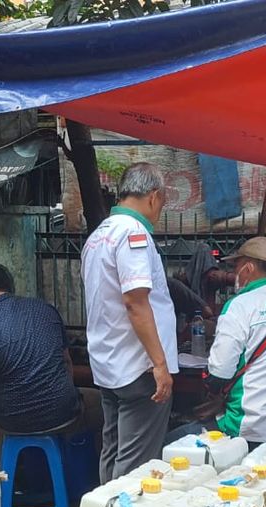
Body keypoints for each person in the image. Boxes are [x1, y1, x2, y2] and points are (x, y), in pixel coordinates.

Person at [170, 236, 266, 445]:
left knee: (170, 442)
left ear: (248, 268)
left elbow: (219, 373)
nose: (233, 273)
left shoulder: (239, 305)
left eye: (236, 266)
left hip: (247, 427)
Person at [81, 162, 178, 482]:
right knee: (135, 465)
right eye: (161, 204)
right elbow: (136, 302)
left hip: (109, 366)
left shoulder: (98, 236)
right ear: (153, 197)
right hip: (139, 368)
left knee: (113, 450)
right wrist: (160, 364)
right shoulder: (133, 234)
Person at [0, 262, 101, 467]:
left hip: (12, 421)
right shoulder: (46, 311)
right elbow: (66, 363)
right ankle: (91, 476)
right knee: (100, 402)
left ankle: (12, 482)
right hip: (63, 413)